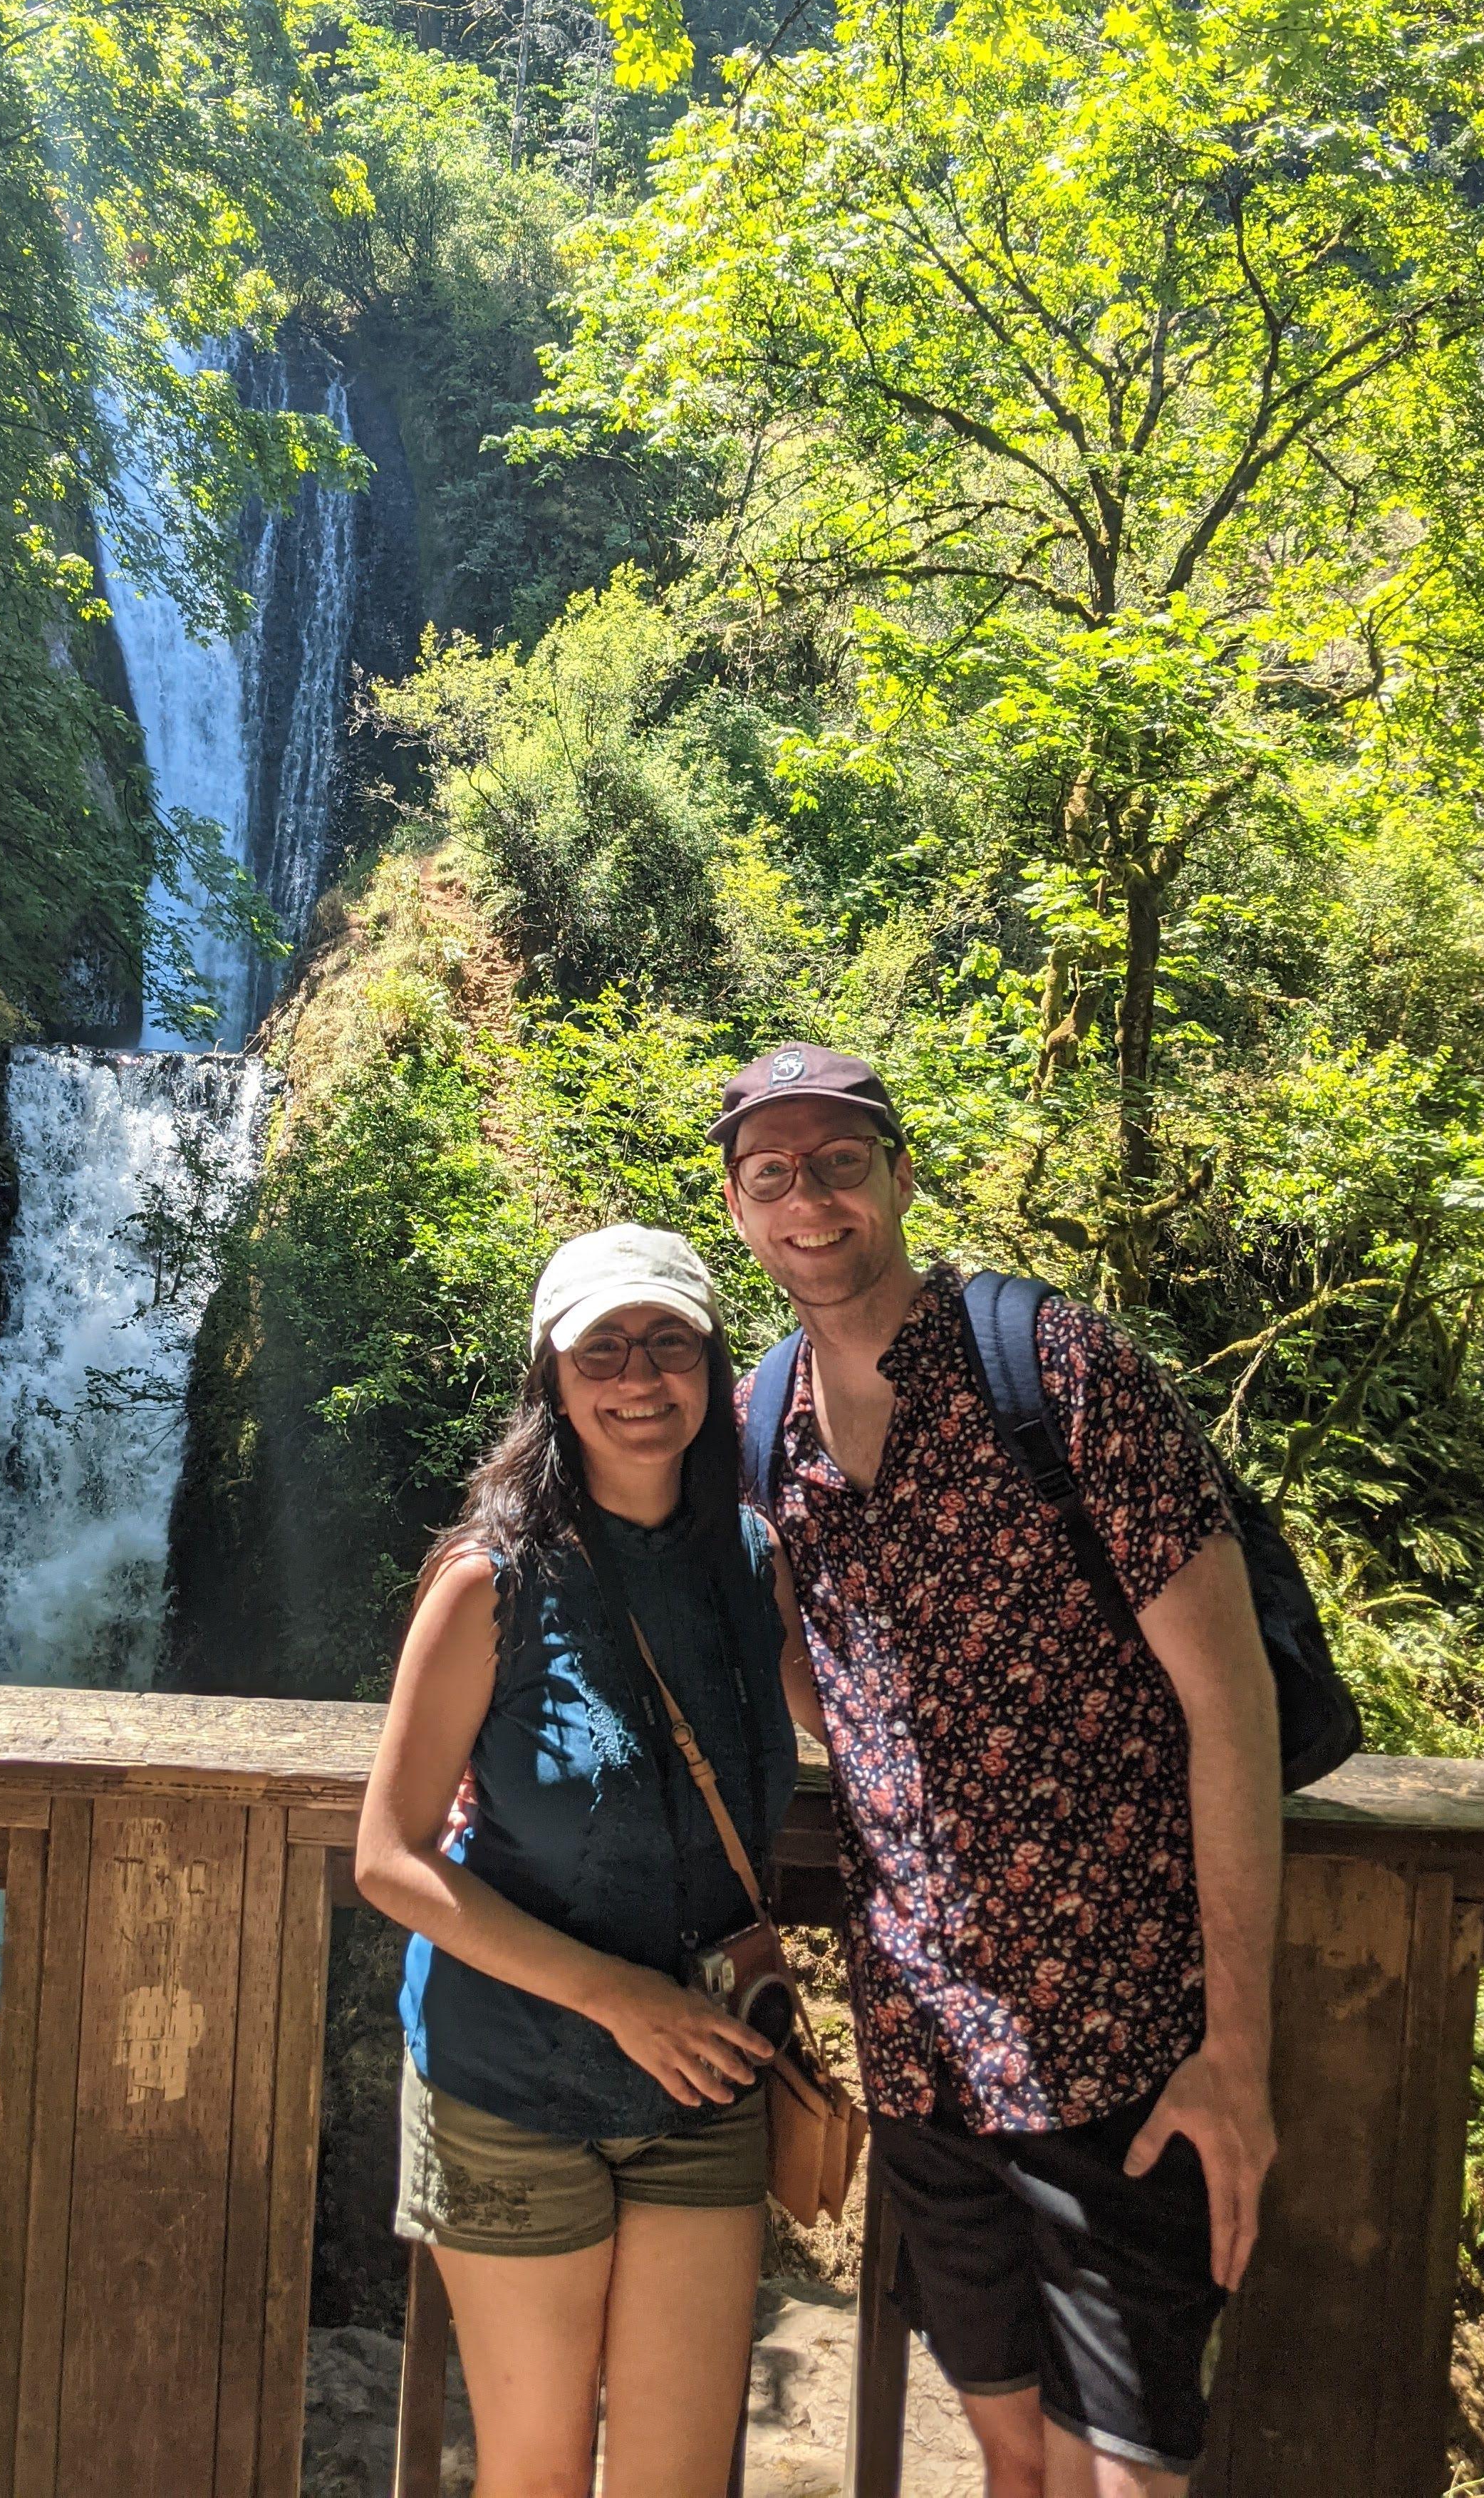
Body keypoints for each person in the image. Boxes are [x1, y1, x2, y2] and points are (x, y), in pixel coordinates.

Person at [712, 1045, 1284, 2498]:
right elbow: (799, 1661)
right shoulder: (762, 1416)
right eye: (772, 1174)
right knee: (1011, 2466)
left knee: (1128, 2479)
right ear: (737, 1210)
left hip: (1124, 2052)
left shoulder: (1055, 1367)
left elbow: (1231, 1710)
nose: (810, 1200)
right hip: (926, 2057)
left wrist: (1237, 2056)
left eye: (840, 1163)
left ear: (899, 1176)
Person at [356, 1223, 816, 2498]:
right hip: (514, 2085)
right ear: (552, 1381)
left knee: (675, 2479)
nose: (638, 1376)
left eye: (670, 1343)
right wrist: (619, 1998)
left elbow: (868, 1723)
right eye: (602, 1348)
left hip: (704, 2080)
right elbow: (389, 1859)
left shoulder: (754, 1560)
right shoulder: (487, 1584)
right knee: (537, 2474)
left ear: (714, 1372)